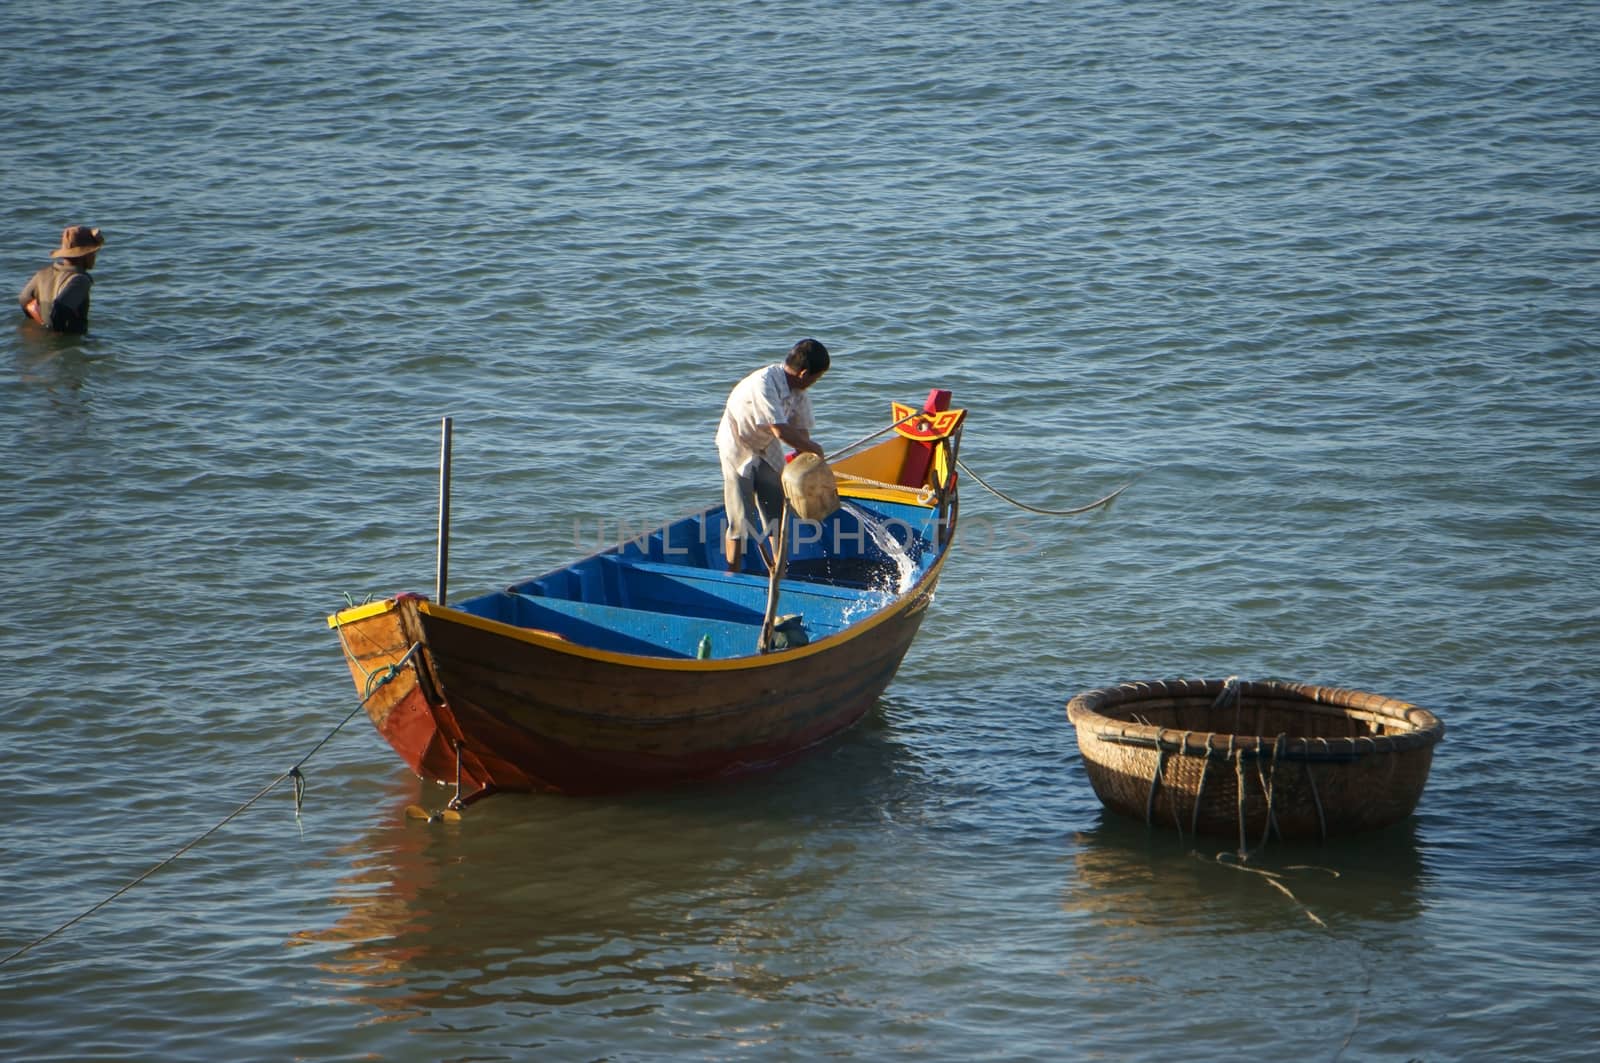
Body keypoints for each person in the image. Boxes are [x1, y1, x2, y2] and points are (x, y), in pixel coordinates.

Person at [715, 337, 830, 572]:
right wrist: (815, 450)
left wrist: (811, 463)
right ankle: (732, 573)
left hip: (766, 447)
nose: (814, 383)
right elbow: (780, 430)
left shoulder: (799, 393)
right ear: (804, 373)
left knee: (776, 515)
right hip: (738, 446)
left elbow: (801, 433)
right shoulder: (764, 384)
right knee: (740, 520)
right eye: (816, 378)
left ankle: (778, 572)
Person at [19, 225, 104, 334]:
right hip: (68, 343)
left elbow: (24, 299)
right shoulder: (80, 280)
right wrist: (58, 336)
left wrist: (43, 323)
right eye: (93, 253)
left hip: (46, 340)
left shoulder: (43, 273)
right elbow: (60, 308)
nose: (95, 257)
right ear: (85, 255)